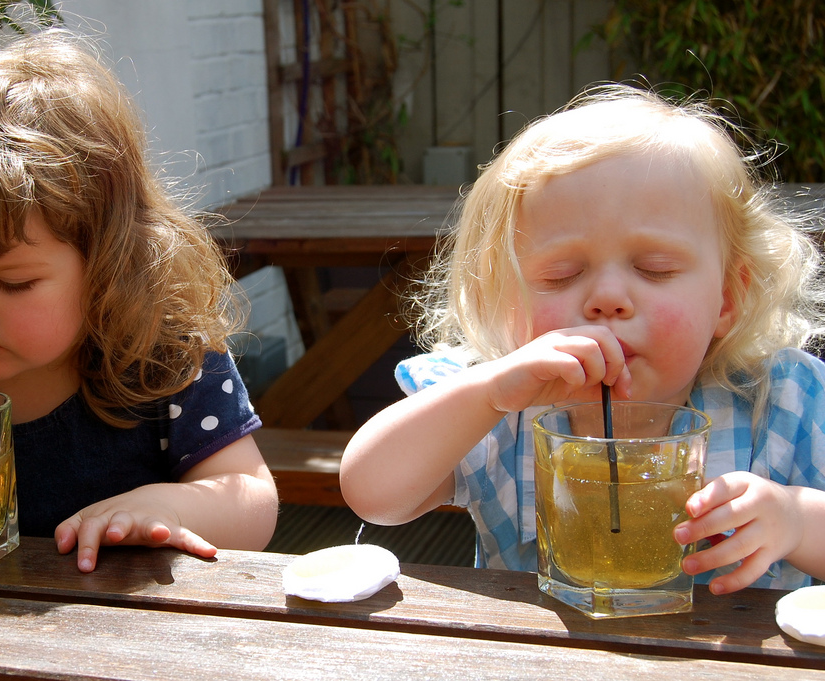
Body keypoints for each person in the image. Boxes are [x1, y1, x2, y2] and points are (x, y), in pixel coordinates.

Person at [0, 29, 278, 573]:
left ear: (109, 266)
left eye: (13, 282)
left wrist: (162, 507)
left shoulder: (167, 365)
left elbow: (252, 500)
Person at [340, 84, 825, 593]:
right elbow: (373, 495)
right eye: (561, 275)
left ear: (727, 297)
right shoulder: (500, 408)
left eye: (654, 269)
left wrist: (794, 519)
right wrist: (487, 393)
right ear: (506, 301)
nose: (608, 298)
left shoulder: (782, 402)